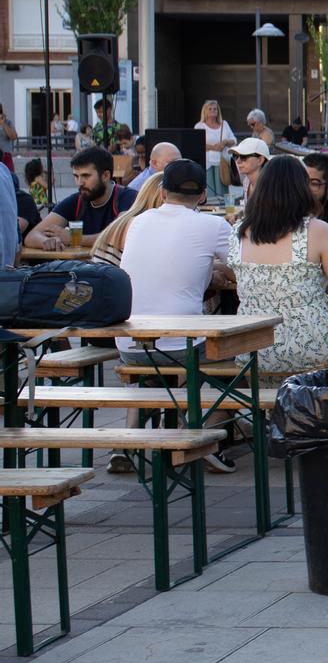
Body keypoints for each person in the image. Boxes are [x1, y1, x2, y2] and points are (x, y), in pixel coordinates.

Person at [108, 162, 233, 470]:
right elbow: (246, 269)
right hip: (181, 348)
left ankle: (145, 438)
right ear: (203, 195)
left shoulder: (137, 222)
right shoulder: (214, 226)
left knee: (161, 357)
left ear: (162, 192)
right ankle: (198, 435)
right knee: (241, 358)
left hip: (128, 347)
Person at [231, 155, 328, 376]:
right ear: (301, 188)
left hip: (252, 348)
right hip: (310, 346)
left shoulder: (238, 232)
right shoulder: (317, 230)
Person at [27, 147, 135, 249]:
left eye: (86, 176)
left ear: (105, 176)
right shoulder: (77, 200)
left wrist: (74, 239)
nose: (80, 183)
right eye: (76, 176)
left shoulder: (127, 197)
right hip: (85, 267)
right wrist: (46, 241)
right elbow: (32, 236)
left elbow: (121, 236)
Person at [90, 174, 166, 269]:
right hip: (111, 280)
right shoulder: (140, 225)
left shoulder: (126, 220)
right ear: (163, 196)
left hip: (100, 278)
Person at [196, 99, 236, 201]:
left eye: (215, 109)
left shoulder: (224, 124)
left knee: (222, 189)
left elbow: (234, 141)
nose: (213, 110)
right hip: (207, 163)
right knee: (210, 192)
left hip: (222, 162)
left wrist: (225, 142)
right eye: (210, 109)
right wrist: (213, 147)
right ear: (205, 111)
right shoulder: (199, 126)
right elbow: (197, 144)